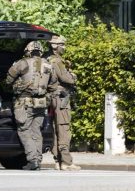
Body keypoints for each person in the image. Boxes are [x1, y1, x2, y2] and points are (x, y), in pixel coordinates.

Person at [6, 41, 58, 170]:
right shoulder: (48, 64)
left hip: (25, 103)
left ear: (28, 51)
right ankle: (38, 160)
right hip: (41, 104)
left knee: (24, 130)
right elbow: (52, 85)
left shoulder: (22, 63)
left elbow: (8, 80)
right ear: (40, 51)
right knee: (36, 131)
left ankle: (32, 160)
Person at [46, 35, 81, 171]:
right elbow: (66, 78)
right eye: (62, 45)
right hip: (61, 99)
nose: (64, 47)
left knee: (55, 129)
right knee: (64, 128)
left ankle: (57, 160)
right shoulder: (57, 61)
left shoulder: (46, 58)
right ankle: (66, 162)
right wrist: (73, 76)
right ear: (55, 46)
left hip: (52, 98)